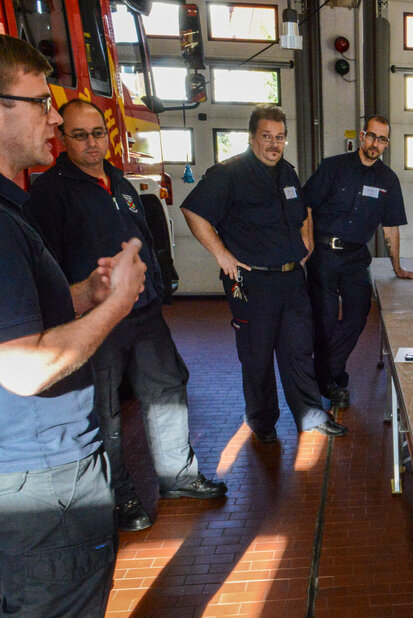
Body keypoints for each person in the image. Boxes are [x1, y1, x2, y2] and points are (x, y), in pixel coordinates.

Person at [26, 99, 228, 533]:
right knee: (104, 410)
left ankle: (179, 478)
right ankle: (119, 496)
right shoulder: (49, 193)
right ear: (63, 138)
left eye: (98, 133)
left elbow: (142, 240)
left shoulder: (119, 182)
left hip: (143, 312)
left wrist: (157, 290)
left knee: (168, 389)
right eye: (80, 135)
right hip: (94, 321)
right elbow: (45, 267)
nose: (92, 143)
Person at [0, 34, 147, 615]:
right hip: (43, 482)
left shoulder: (12, 208)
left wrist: (85, 294)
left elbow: (19, 312)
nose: (55, 119)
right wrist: (117, 304)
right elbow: (22, 365)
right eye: (40, 102)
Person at [181, 104, 347, 442]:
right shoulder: (229, 173)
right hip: (252, 281)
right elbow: (193, 210)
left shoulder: (287, 172)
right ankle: (262, 421)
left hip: (290, 279)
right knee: (257, 355)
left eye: (280, 137)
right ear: (252, 137)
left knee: (298, 350)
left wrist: (306, 244)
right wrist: (222, 255)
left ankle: (310, 415)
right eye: (267, 137)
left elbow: (303, 213)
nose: (274, 144)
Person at [302, 115, 413, 408]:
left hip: (356, 258)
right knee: (325, 319)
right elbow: (306, 204)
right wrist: (306, 242)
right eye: (372, 136)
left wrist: (397, 266)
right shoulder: (333, 167)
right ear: (362, 135)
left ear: (387, 143)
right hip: (324, 255)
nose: (375, 144)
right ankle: (333, 379)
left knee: (358, 316)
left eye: (382, 139)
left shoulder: (388, 180)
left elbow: (391, 226)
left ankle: (324, 373)